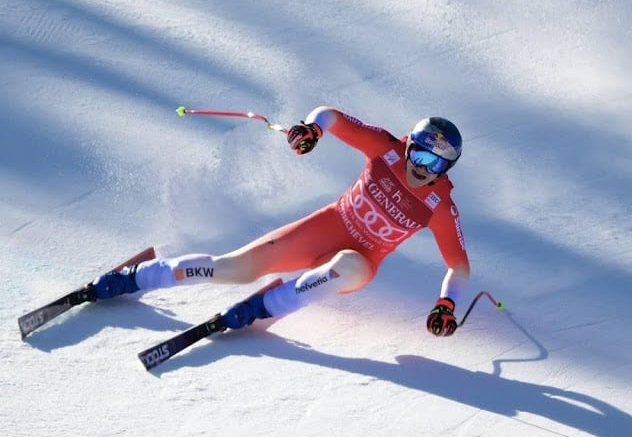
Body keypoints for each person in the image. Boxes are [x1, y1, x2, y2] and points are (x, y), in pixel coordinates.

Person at [89, 106, 470, 337]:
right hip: (322, 229)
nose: (423, 170)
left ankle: (268, 305)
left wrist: (446, 304)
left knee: (349, 266)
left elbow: (458, 265)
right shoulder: (385, 149)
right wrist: (312, 129)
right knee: (234, 268)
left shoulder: (439, 205)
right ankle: (137, 277)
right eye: (419, 157)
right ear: (408, 147)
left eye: (435, 165)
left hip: (358, 263)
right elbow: (332, 116)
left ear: (446, 168)